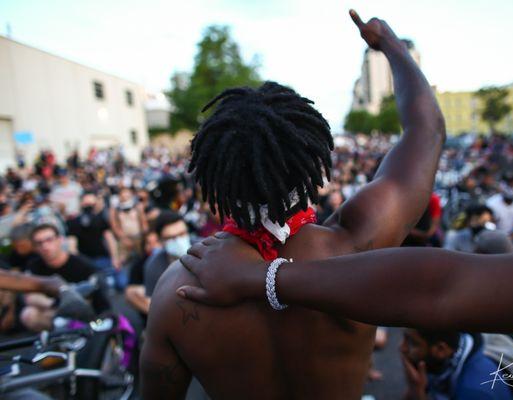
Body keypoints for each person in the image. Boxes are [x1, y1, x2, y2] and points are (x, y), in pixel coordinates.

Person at [141, 9, 445, 399]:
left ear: (214, 184)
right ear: (314, 166)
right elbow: (427, 130)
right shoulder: (355, 244)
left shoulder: (177, 291)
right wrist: (389, 43)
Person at [178, 234, 513, 333]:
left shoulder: (180, 281)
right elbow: (425, 132)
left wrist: (261, 277)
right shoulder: (348, 238)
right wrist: (394, 50)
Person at [21, 224, 110, 331]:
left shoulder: (84, 266)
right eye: (39, 243)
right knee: (28, 314)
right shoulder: (33, 266)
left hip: (87, 317)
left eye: (49, 240)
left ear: (60, 240)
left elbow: (100, 305)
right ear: (34, 247)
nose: (45, 246)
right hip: (54, 312)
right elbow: (29, 297)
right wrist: (56, 304)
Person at [400, 329, 513, 400]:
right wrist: (415, 387)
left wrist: (418, 393)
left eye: (412, 343)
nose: (402, 348)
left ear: (441, 349)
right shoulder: (448, 354)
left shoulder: (474, 392)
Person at [67, 192, 123, 287]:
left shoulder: (100, 218)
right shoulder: (74, 221)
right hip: (87, 260)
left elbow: (109, 238)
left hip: (103, 258)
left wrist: (115, 258)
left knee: (118, 283)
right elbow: (72, 246)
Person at [142, 211, 190, 297]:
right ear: (161, 241)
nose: (179, 241)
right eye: (171, 238)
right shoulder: (153, 266)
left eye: (182, 234)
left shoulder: (207, 249)